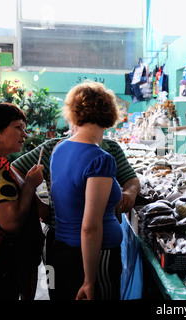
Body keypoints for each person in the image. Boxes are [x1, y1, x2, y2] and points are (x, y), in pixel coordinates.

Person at [11, 126, 140, 299]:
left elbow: (131, 178)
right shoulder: (52, 148)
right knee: (56, 289)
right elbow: (15, 171)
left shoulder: (110, 148)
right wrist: (38, 204)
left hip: (93, 242)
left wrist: (130, 192)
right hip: (57, 238)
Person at [49, 81, 125, 300]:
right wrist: (89, 281)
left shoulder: (59, 148)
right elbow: (90, 227)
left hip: (62, 250)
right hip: (93, 258)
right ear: (109, 114)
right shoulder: (101, 159)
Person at [0, 103, 44, 300]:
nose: (25, 134)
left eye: (24, 128)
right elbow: (11, 222)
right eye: (18, 128)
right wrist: (30, 184)